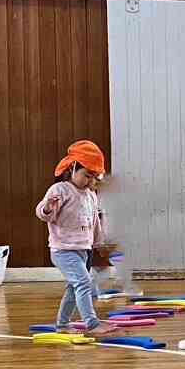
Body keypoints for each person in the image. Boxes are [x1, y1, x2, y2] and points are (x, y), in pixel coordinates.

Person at [37, 141, 119, 340]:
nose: (89, 180)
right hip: (63, 250)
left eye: (93, 177)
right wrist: (47, 207)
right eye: (85, 175)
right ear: (73, 168)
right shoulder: (60, 190)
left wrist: (100, 243)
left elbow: (95, 222)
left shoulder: (91, 195)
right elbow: (44, 214)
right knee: (84, 282)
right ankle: (92, 324)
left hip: (83, 250)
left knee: (75, 287)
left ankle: (62, 324)